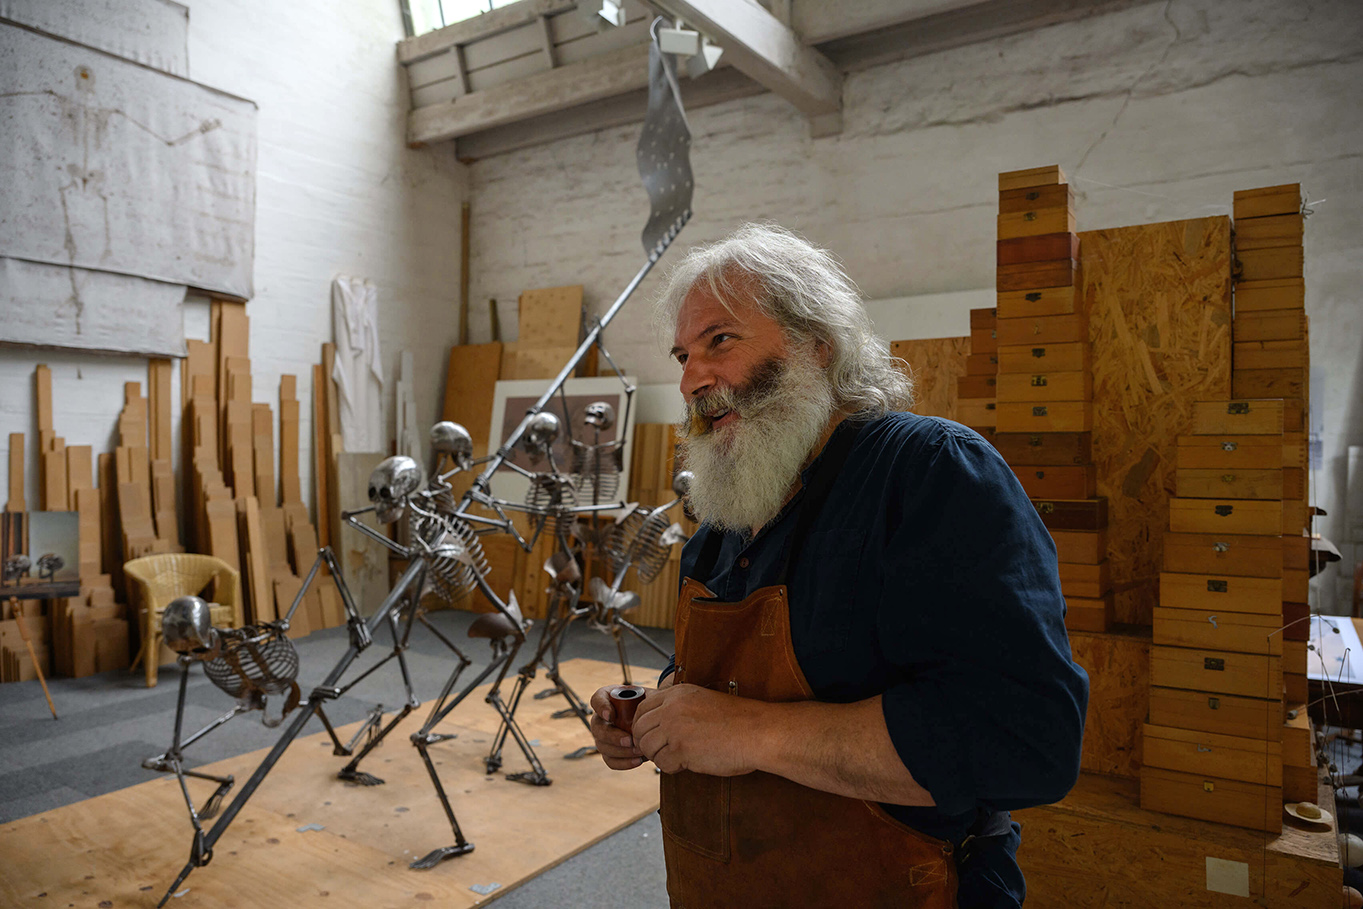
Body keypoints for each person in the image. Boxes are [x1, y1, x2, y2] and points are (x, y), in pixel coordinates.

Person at [589, 223, 1089, 909]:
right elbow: (726, 685)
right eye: (682, 354)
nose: (690, 378)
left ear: (815, 344)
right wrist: (657, 713)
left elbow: (1024, 742)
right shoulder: (728, 517)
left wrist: (750, 732)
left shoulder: (927, 473)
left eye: (719, 341)